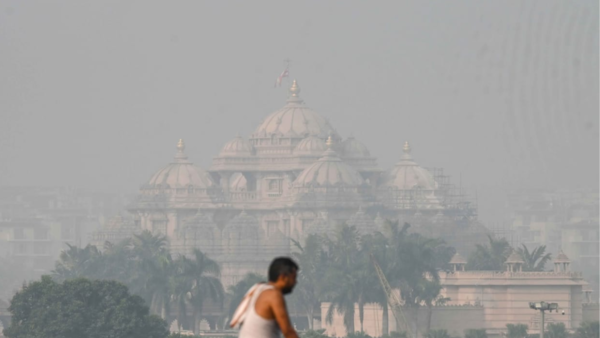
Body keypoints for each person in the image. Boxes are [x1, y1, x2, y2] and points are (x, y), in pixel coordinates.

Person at [234, 257, 299, 338]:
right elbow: (288, 332)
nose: (295, 282)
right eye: (293, 278)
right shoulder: (274, 295)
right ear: (282, 277)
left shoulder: (257, 289)